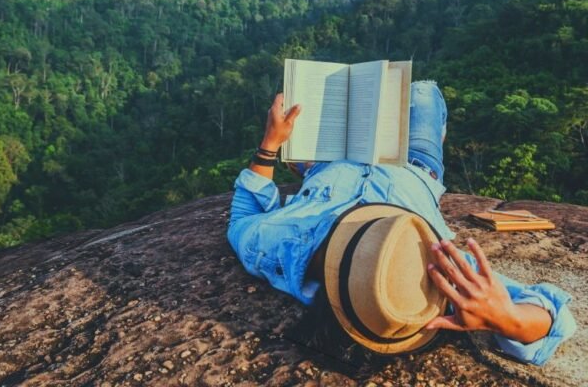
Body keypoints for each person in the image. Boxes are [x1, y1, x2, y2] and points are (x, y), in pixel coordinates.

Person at [228, 81, 575, 365]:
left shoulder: (285, 245)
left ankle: (306, 166)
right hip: (413, 165)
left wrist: (270, 143)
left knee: (334, 96)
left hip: (330, 163)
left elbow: (243, 217)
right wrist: (506, 319)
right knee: (423, 91)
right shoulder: (423, 271)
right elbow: (554, 319)